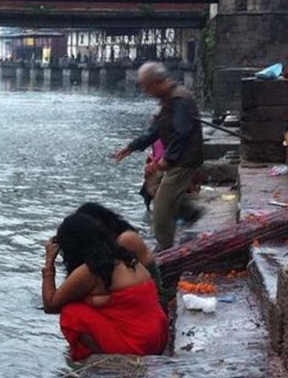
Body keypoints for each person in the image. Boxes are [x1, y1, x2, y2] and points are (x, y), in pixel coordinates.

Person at [41, 213, 168, 361]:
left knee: (71, 314)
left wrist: (49, 261)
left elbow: (50, 305)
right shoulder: (127, 259)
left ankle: (109, 362)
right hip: (159, 339)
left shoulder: (91, 270)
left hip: (139, 346)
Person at [114, 62, 204, 251]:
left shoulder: (179, 99)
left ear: (157, 82)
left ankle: (164, 248)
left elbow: (182, 132)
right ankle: (190, 212)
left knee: (162, 205)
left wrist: (167, 159)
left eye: (147, 86)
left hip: (185, 159)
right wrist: (132, 147)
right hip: (180, 158)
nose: (146, 91)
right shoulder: (168, 99)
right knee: (160, 192)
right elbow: (156, 130)